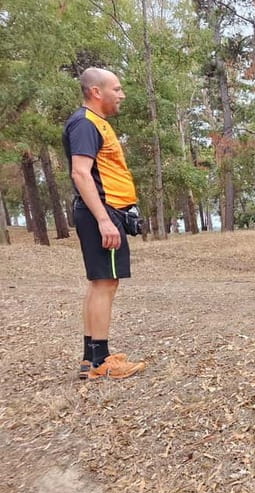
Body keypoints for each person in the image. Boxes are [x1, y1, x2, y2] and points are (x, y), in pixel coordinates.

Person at [62, 67, 145, 379]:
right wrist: (103, 220)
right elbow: (80, 173)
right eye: (117, 89)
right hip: (102, 211)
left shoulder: (96, 124)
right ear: (96, 92)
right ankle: (100, 362)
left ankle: (92, 356)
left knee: (101, 283)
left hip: (107, 211)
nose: (121, 95)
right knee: (105, 283)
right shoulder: (85, 123)